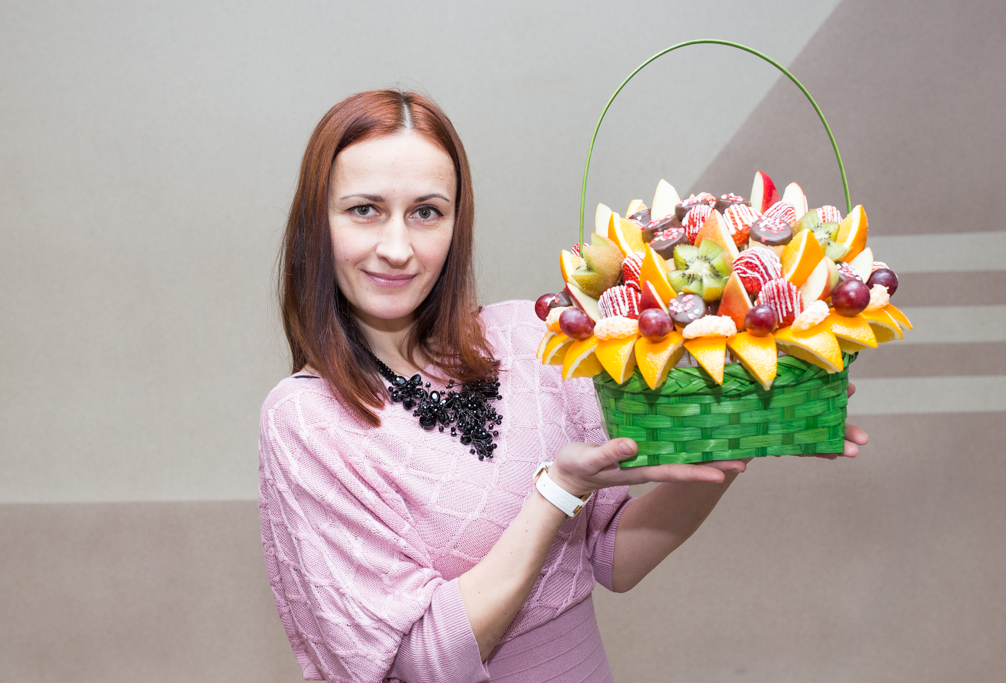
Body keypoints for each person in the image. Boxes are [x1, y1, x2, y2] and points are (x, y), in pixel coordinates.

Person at [258, 89, 868, 683]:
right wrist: (557, 491)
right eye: (364, 210)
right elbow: (425, 665)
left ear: (456, 224)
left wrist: (736, 435)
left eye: (427, 212)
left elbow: (614, 557)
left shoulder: (528, 338)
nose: (397, 248)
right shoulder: (306, 419)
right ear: (318, 224)